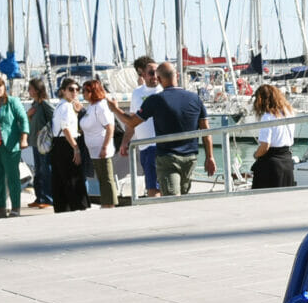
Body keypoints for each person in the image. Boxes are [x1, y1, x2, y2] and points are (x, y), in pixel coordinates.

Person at [109, 62, 212, 196]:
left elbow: (131, 122)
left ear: (158, 79)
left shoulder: (155, 100)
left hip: (167, 157)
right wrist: (210, 157)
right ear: (177, 75)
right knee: (182, 198)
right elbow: (206, 131)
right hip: (190, 158)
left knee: (171, 199)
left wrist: (115, 109)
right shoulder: (195, 98)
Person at [0, 75, 28, 218]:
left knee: (13, 177)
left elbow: (23, 119)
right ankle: (0, 207)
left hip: (9, 144)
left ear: (4, 87)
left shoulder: (12, 102)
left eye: (0, 85)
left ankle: (15, 207)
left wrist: (24, 138)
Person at [122, 55, 161, 197]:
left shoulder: (163, 91)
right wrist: (125, 142)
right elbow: (132, 120)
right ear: (143, 74)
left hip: (158, 145)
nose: (155, 76)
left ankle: (157, 210)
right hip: (143, 146)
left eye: (157, 73)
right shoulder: (137, 92)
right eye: (151, 73)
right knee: (152, 185)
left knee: (154, 188)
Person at [47, 78, 89, 213]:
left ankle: (63, 207)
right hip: (67, 143)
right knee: (73, 177)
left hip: (59, 144)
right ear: (63, 91)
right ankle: (77, 205)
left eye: (77, 89)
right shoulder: (66, 106)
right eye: (71, 89)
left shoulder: (61, 105)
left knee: (61, 178)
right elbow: (65, 128)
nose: (75, 92)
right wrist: (75, 148)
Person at [80, 79, 121, 209]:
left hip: (102, 148)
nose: (83, 93)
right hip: (93, 150)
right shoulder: (91, 106)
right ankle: (105, 202)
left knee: (107, 177)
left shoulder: (101, 106)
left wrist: (105, 147)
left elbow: (110, 127)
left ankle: (111, 204)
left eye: (85, 91)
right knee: (101, 178)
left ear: (92, 91)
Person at [249, 83, 297, 188]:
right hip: (287, 161)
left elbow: (265, 146)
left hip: (271, 164)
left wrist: (256, 155)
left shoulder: (268, 117)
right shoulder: (289, 112)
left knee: (265, 196)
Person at [24, 79, 54, 208]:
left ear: (37, 90)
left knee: (45, 170)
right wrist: (28, 116)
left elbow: (54, 118)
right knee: (38, 171)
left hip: (43, 143)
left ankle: (48, 199)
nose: (28, 91)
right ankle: (39, 197)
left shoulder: (44, 104)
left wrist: (44, 130)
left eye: (30, 88)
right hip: (35, 143)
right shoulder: (35, 104)